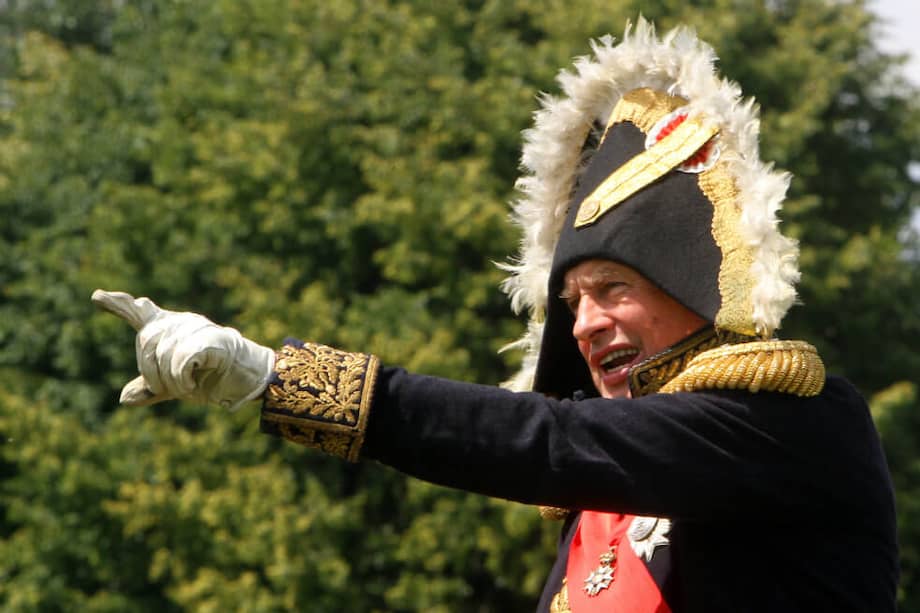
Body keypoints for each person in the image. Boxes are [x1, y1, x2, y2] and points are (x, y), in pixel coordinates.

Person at [93, 20, 898, 612]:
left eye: (613, 287)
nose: (583, 324)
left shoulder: (790, 425)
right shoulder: (604, 494)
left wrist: (273, 378)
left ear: (693, 288)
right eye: (572, 300)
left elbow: (546, 440)